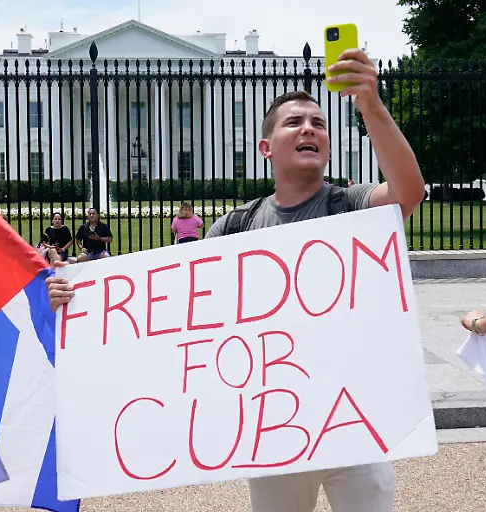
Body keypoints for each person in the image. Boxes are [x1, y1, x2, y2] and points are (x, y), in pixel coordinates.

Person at [46, 48, 425, 512]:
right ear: (266, 148)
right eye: (294, 122)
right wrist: (80, 295)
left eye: (318, 123)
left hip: (351, 419)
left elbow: (409, 191)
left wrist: (371, 105)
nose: (309, 128)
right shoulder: (236, 226)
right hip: (274, 427)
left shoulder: (350, 205)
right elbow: (170, 306)